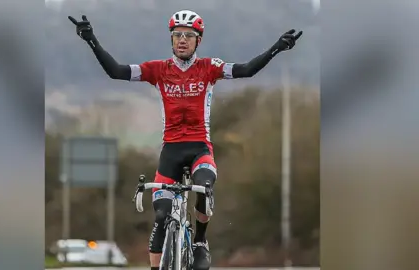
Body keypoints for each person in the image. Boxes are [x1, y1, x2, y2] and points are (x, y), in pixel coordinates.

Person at [68, 10, 302, 270]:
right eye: (177, 34)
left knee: (203, 187)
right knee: (160, 215)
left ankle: (200, 241)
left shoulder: (209, 68)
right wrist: (91, 40)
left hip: (199, 148)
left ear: (197, 41)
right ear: (171, 39)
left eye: (189, 36)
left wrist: (276, 49)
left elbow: (246, 70)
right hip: (170, 151)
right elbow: (116, 71)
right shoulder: (157, 70)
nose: (182, 39)